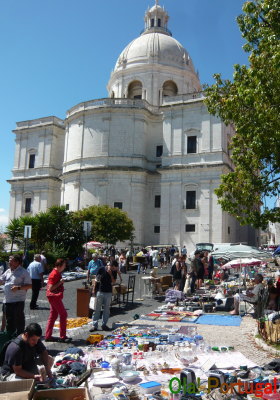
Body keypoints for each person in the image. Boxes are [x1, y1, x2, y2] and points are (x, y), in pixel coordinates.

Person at [0, 255, 32, 335]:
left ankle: (19, 337)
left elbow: (30, 285)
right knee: (9, 321)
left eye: (11, 260)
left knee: (18, 321)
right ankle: (9, 337)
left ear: (17, 262)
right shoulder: (8, 271)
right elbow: (2, 280)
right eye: (9, 260)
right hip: (7, 300)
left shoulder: (23, 272)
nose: (9, 262)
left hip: (17, 302)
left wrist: (18, 288)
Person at [45, 259, 72, 343]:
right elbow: (51, 288)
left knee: (53, 315)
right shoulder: (54, 274)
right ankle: (62, 336)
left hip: (53, 297)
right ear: (59, 266)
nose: (65, 267)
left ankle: (48, 336)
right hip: (54, 297)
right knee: (63, 314)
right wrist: (60, 282)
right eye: (64, 265)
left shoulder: (56, 272)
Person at [89, 260, 119, 332]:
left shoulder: (114, 271)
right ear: (111, 266)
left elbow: (114, 281)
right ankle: (94, 325)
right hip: (100, 291)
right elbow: (96, 279)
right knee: (97, 309)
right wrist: (94, 289)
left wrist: (111, 274)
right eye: (114, 268)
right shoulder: (101, 269)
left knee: (106, 309)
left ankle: (104, 325)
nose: (115, 269)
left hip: (108, 292)